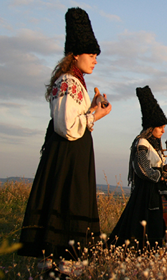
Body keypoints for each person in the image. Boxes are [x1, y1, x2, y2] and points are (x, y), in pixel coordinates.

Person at [18, 7, 111, 273]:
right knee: (65, 203)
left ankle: (58, 266)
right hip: (66, 158)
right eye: (91, 55)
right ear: (76, 55)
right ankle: (58, 267)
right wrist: (96, 113)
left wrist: (91, 108)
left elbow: (74, 118)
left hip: (73, 156)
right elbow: (67, 128)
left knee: (68, 205)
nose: (95, 60)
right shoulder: (69, 81)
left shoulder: (76, 82)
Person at [108, 86, 167, 248]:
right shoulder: (141, 143)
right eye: (160, 127)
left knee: (152, 226)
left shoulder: (153, 145)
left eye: (164, 127)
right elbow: (144, 169)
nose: (163, 130)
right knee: (140, 227)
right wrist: (164, 178)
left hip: (153, 192)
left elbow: (157, 168)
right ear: (150, 127)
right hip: (145, 193)